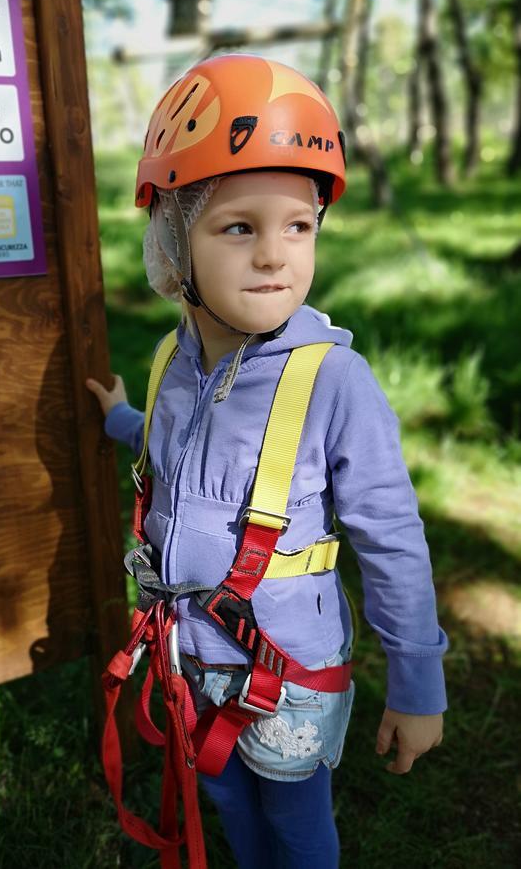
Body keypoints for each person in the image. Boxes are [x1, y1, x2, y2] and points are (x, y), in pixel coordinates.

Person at [86, 53, 447, 868]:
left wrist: (418, 686)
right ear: (172, 241)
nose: (275, 256)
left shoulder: (334, 381)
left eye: (298, 226)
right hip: (189, 650)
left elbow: (391, 537)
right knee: (222, 797)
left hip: (284, 671)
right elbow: (173, 449)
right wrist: (119, 419)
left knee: (293, 820)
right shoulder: (173, 360)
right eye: (238, 226)